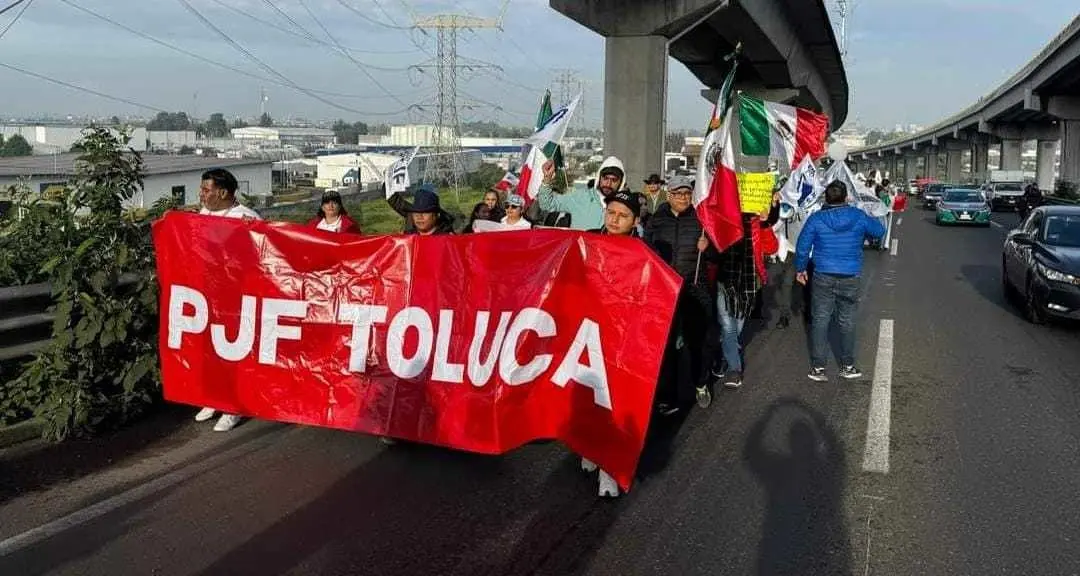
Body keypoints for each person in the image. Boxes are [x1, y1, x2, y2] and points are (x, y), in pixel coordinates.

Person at [581, 189, 644, 498]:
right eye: (612, 213)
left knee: (613, 403)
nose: (616, 219)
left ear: (635, 221)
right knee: (586, 397)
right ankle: (589, 450)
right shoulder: (589, 240)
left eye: (623, 215)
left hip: (621, 338)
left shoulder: (640, 252)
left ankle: (609, 469)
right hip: (586, 333)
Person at [795, 181, 886, 382]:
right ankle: (847, 365)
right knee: (847, 321)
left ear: (826, 198)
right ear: (846, 197)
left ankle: (818, 367)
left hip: (823, 275)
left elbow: (802, 247)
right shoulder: (858, 215)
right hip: (850, 275)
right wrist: (863, 211)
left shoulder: (816, 218)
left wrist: (800, 269)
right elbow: (879, 231)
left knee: (820, 319)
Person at [193, 168, 261, 433]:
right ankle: (213, 399)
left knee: (233, 353)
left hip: (236, 298)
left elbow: (261, 256)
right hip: (207, 295)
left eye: (206, 190)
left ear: (222, 192)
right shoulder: (204, 214)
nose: (202, 194)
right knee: (209, 350)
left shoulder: (245, 218)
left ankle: (234, 406)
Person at [644, 175, 717, 412]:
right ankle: (667, 395)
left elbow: (717, 256)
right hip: (664, 292)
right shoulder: (657, 220)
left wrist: (708, 249)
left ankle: (701, 383)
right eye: (677, 193)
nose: (683, 198)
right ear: (668, 195)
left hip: (696, 289)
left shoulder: (701, 219)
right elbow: (646, 251)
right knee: (666, 346)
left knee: (699, 343)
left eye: (686, 193)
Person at [538, 156, 627, 231]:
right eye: (605, 178)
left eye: (614, 180)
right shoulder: (581, 197)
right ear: (599, 177)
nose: (608, 184)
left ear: (621, 182)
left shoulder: (626, 207)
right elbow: (547, 204)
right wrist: (547, 178)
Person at [387, 183, 455, 235]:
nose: (419, 216)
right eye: (416, 212)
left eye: (425, 212)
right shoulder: (406, 239)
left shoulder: (448, 240)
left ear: (437, 214)